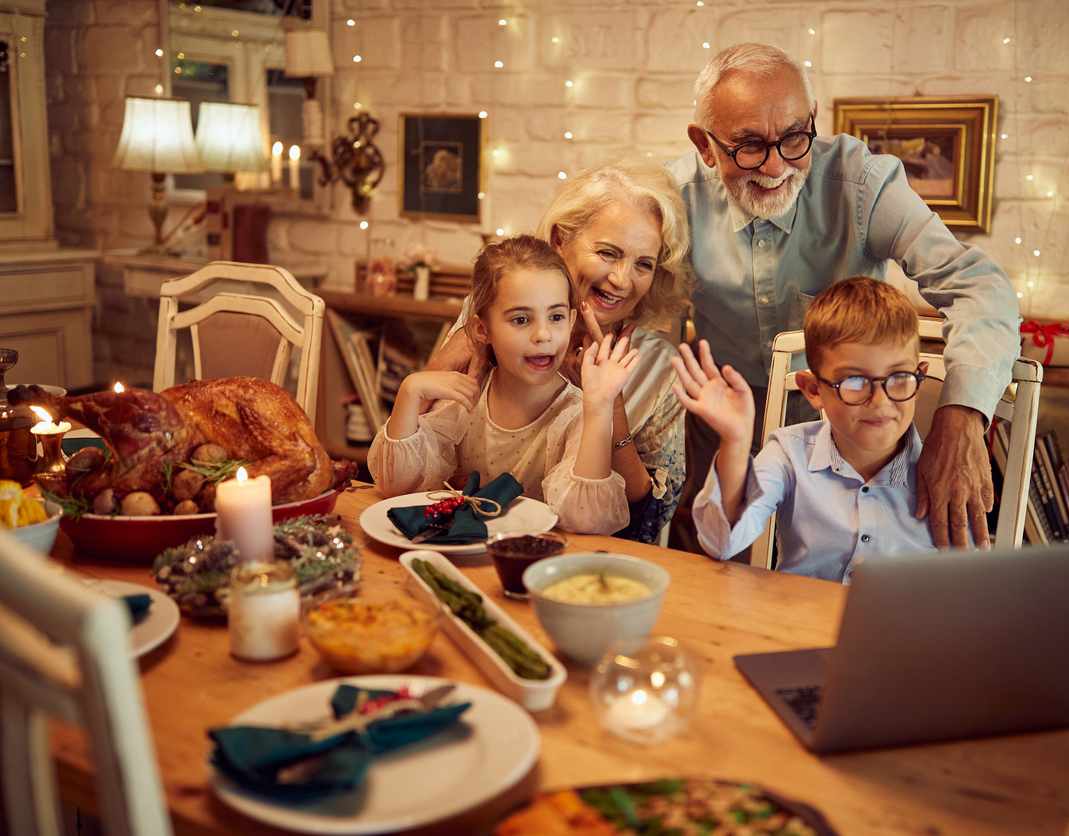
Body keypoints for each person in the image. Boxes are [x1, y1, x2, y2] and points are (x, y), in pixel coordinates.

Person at [664, 43, 1021, 551]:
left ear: (812, 119)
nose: (774, 168)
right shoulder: (671, 198)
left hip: (848, 435)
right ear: (704, 145)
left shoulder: (863, 183)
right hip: (724, 435)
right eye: (748, 146)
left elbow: (981, 287)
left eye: (793, 138)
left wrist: (962, 414)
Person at [426, 157, 692, 544]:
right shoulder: (486, 321)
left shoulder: (660, 370)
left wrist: (611, 406)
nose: (621, 280)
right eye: (608, 253)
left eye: (643, 264)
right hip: (470, 544)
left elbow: (649, 521)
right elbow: (424, 447)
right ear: (559, 240)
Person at [675, 277, 967, 581]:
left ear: (918, 378)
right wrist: (735, 441)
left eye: (898, 377)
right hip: (798, 622)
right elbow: (721, 544)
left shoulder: (947, 473)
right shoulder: (789, 454)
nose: (880, 401)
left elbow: (967, 589)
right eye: (854, 380)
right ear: (813, 389)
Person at [367, 235, 640, 535]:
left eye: (557, 316)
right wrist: (409, 390)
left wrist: (601, 407)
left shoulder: (577, 416)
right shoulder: (467, 400)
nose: (543, 334)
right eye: (521, 319)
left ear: (573, 320)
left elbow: (587, 519)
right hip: (463, 556)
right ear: (482, 329)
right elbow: (396, 486)